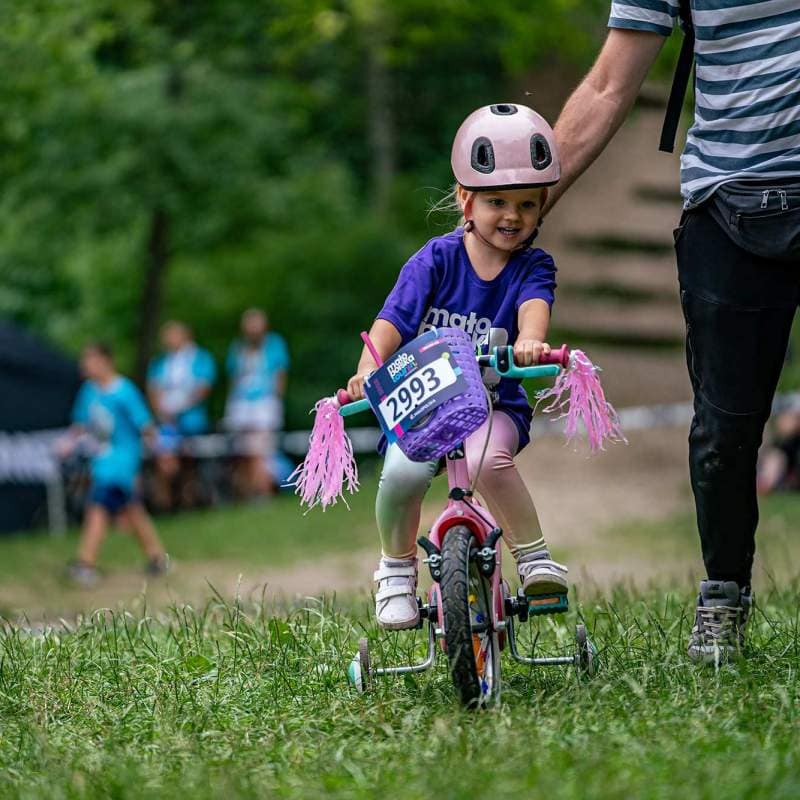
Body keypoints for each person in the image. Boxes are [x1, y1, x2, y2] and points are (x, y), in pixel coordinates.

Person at [545, 2, 800, 661]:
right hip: (730, 205)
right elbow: (609, 85)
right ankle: (724, 596)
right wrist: (517, 210)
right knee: (724, 431)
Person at [346, 103, 568, 630]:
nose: (512, 216)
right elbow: (392, 321)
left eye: (526, 204)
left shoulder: (533, 266)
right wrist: (368, 368)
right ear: (465, 199)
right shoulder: (435, 260)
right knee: (402, 472)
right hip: (426, 403)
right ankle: (396, 569)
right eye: (497, 202)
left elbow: (534, 309)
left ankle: (534, 558)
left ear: (541, 207)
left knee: (488, 461)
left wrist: (530, 343)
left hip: (495, 405)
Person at [57, 342, 168, 587]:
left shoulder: (124, 391)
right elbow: (80, 424)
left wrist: (162, 453)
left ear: (106, 361)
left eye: (91, 360)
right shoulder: (89, 391)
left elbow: (145, 425)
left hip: (121, 461)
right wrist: (67, 443)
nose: (85, 366)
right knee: (131, 508)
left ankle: (85, 562)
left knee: (98, 506)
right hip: (102, 460)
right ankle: (157, 557)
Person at [147, 321, 216, 510]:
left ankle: (188, 500)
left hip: (192, 422)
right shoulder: (160, 363)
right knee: (164, 458)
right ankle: (166, 504)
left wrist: (179, 407)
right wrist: (162, 411)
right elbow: (153, 389)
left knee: (190, 463)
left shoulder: (200, 358)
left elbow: (204, 387)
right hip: (167, 423)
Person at [224, 308, 290, 496]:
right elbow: (233, 378)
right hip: (240, 405)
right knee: (243, 453)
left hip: (264, 404)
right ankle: (247, 493)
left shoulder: (275, 345)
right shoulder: (237, 348)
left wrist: (275, 402)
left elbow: (280, 376)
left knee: (261, 452)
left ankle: (262, 493)